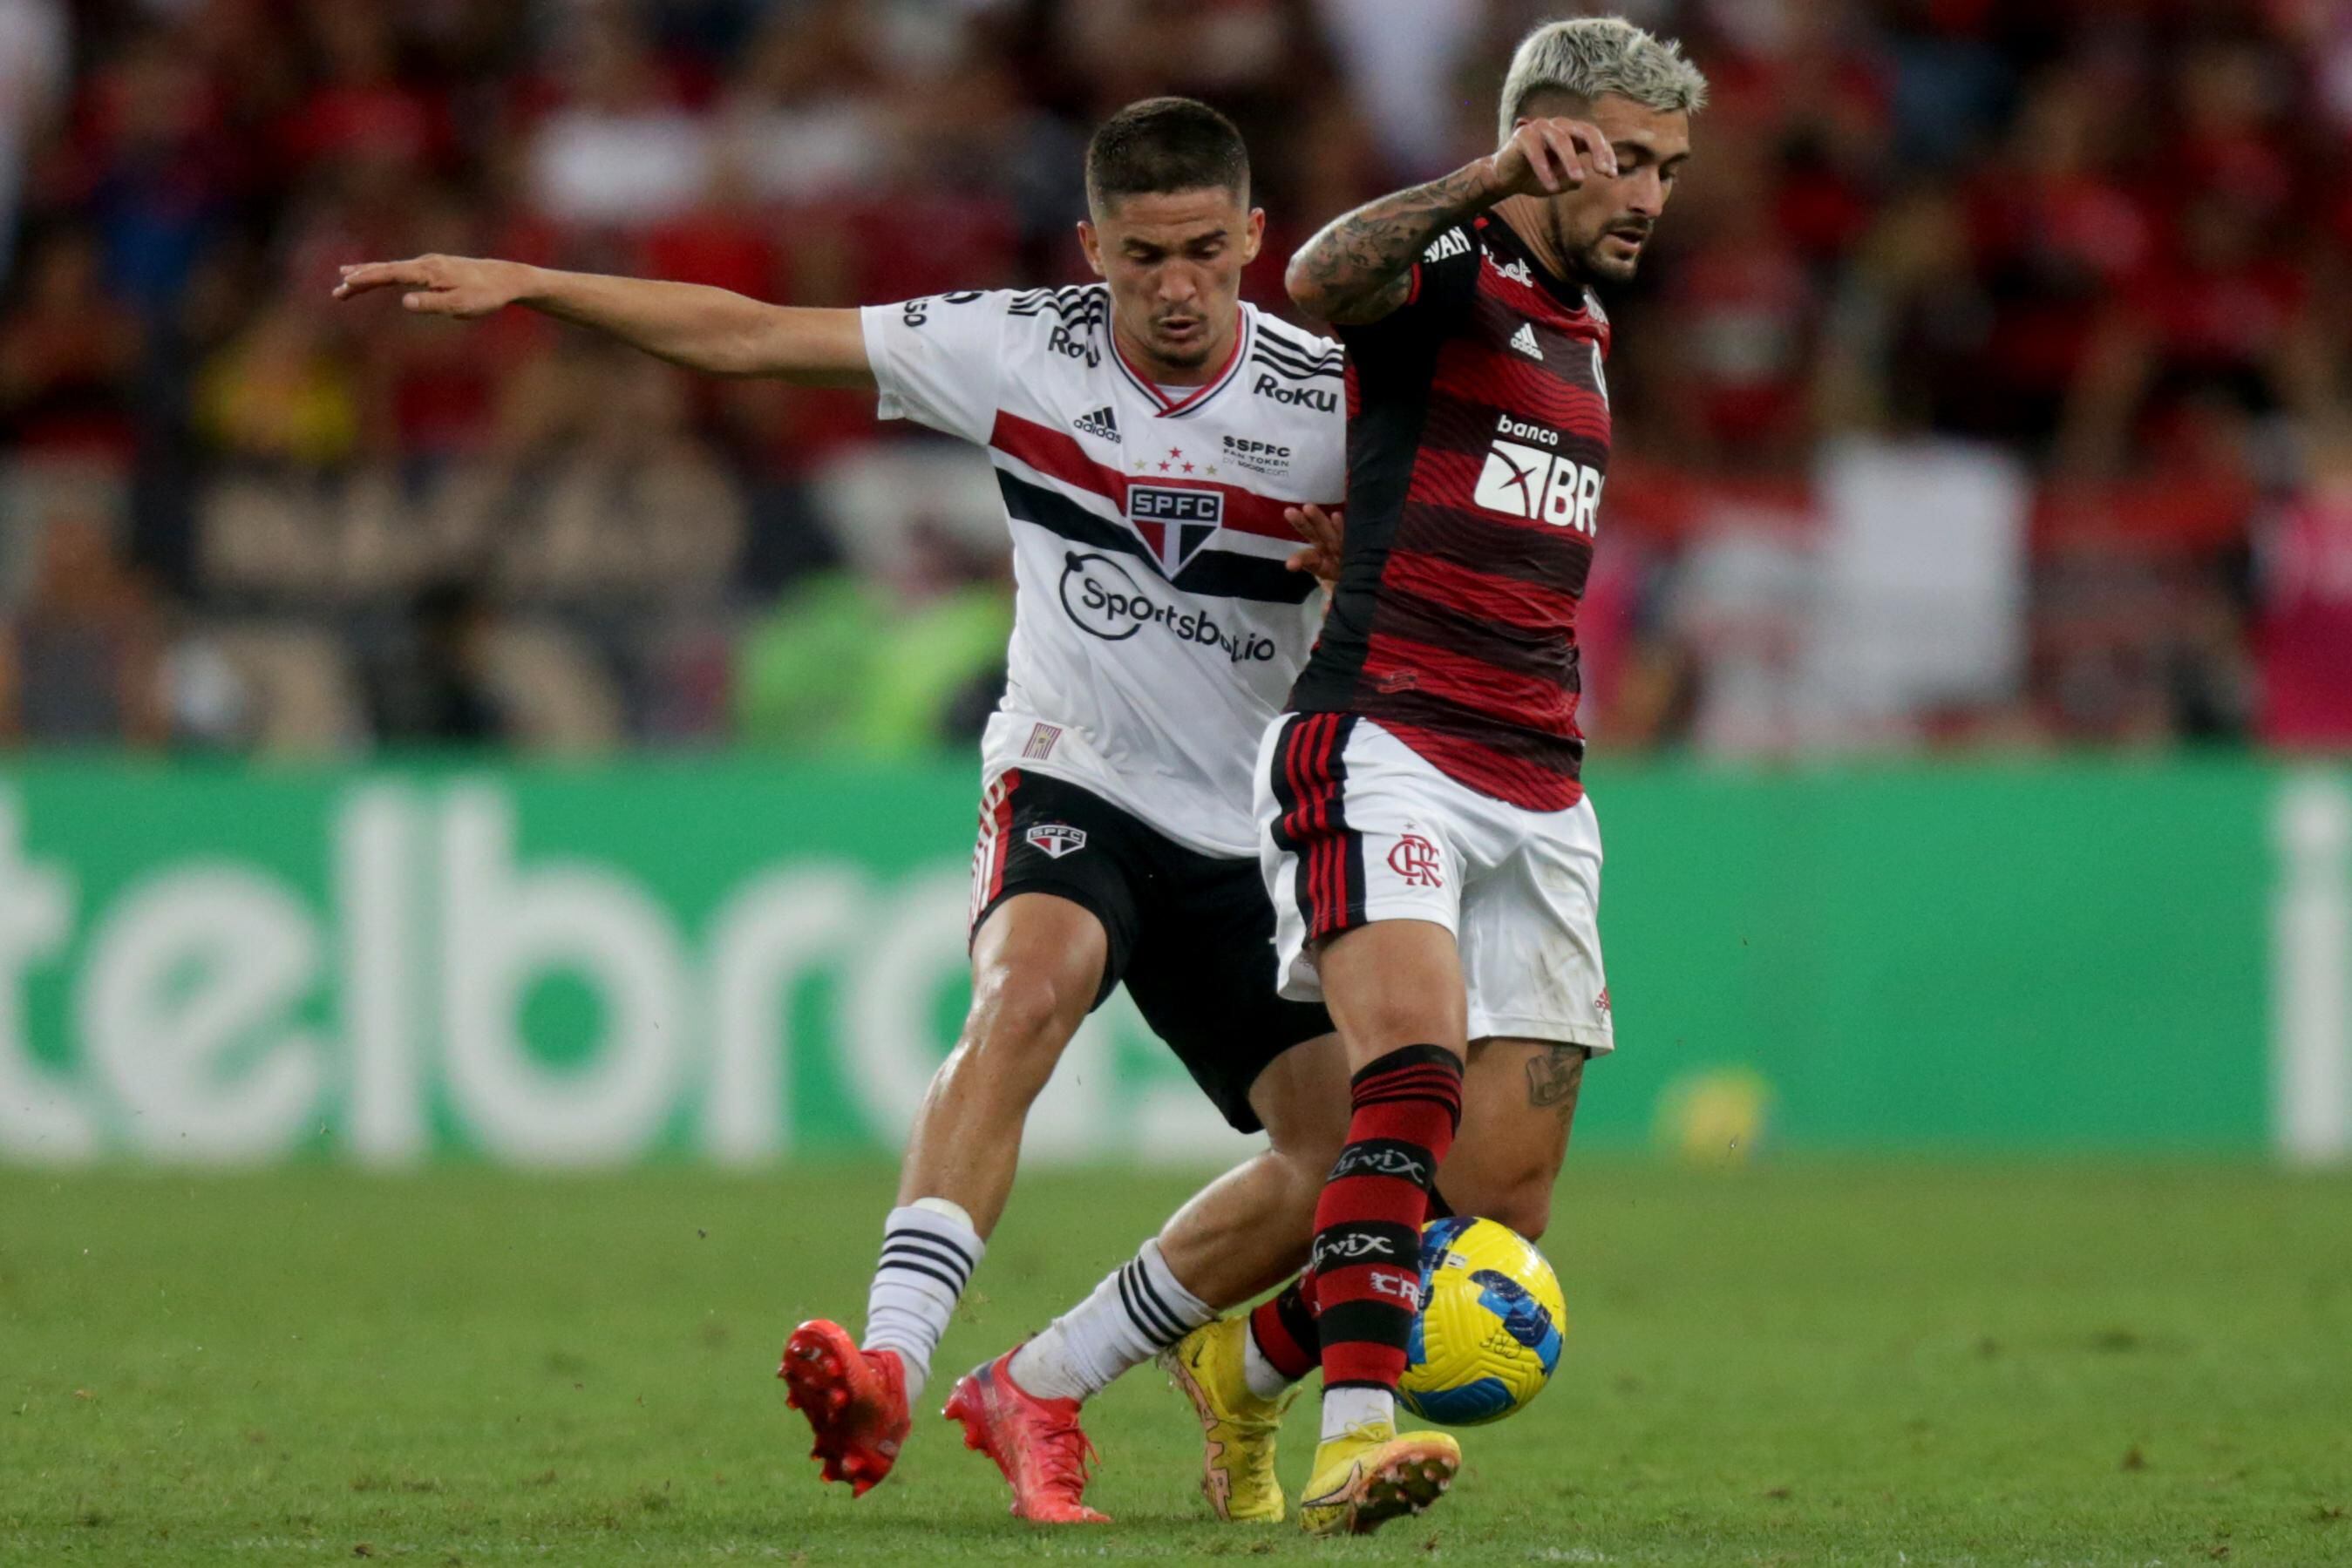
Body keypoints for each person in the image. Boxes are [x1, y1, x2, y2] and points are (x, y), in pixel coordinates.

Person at [334, 98, 1357, 1524]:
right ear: (1091, 250)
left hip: (1249, 818)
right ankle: (888, 1362)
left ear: (1255, 238)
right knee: (1024, 998)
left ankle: (1043, 1382)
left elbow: (1467, 564)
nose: (1176, 290)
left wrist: (1363, 555)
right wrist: (537, 286)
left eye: (1203, 253)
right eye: (1141, 260)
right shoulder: (1019, 345)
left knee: (1340, 1161)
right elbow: (755, 334)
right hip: (1078, 767)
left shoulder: (1335, 395)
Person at [1187, 17, 1708, 1535]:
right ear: (1548, 138)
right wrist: (1480, 178)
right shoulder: (1449, 272)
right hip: (1388, 736)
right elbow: (1313, 279)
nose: (1650, 194)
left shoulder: (1588, 327)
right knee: (1403, 1071)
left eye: (1668, 168)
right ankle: (1355, 1431)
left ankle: (1249, 1361)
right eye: (1623, 158)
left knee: (1499, 1212)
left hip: (1536, 776)